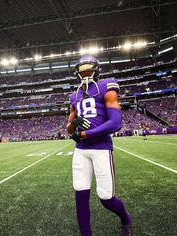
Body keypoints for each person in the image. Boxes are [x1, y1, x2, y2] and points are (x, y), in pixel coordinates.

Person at [66, 55, 132, 236]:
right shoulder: (74, 95)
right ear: (77, 73)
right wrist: (74, 126)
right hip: (81, 151)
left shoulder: (106, 86)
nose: (86, 73)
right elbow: (69, 128)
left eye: (89, 69)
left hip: (101, 148)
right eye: (82, 70)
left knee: (106, 199)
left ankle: (126, 219)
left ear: (96, 70)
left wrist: (85, 133)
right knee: (80, 196)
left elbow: (115, 123)